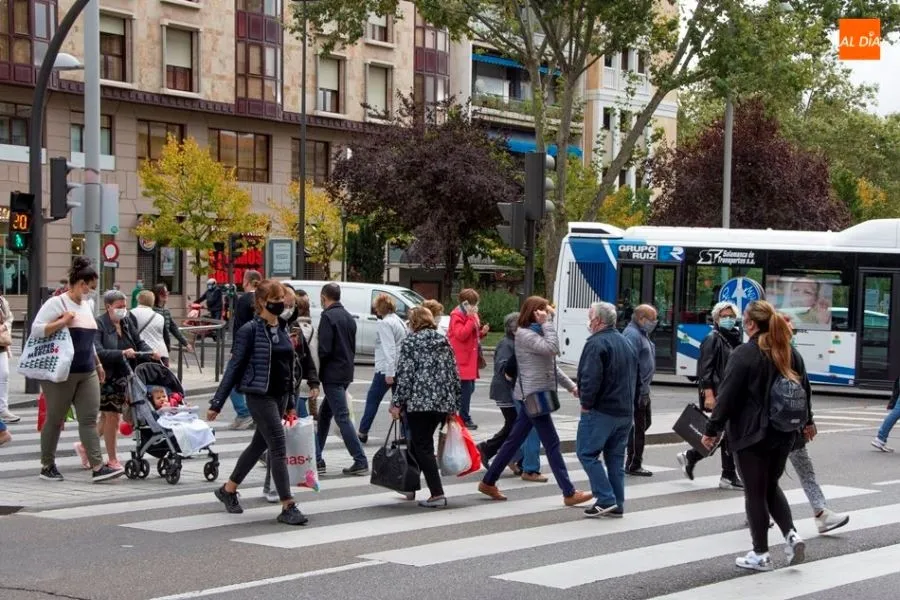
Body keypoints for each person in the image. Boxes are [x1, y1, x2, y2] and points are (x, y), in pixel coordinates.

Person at [701, 300, 811, 572]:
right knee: (770, 485)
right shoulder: (789, 352)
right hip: (784, 433)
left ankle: (760, 553)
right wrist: (808, 422)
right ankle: (792, 536)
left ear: (750, 324)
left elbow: (727, 396)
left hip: (751, 434)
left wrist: (712, 430)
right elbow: (805, 391)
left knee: (755, 492)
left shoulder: (745, 354)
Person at [207, 279, 308, 526]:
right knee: (278, 446)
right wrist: (217, 402)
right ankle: (288, 505)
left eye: (281, 300)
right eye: (275, 300)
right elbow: (234, 367)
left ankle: (228, 489)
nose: (280, 304)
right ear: (261, 302)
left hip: (280, 396)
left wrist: (291, 402)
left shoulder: (282, 327)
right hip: (259, 395)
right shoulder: (249, 331)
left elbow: (289, 369)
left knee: (257, 446)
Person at [478, 296, 591, 507]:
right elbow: (553, 348)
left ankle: (488, 481)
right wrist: (547, 323)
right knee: (552, 443)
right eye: (543, 310)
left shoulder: (535, 333)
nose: (547, 314)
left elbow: (551, 364)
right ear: (534, 313)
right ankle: (568, 492)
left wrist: (571, 386)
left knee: (514, 441)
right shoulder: (525, 334)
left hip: (534, 394)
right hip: (534, 395)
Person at [33, 257, 122, 482]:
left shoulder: (87, 305)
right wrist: (63, 321)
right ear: (81, 283)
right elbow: (37, 330)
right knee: (55, 419)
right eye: (90, 287)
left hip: (86, 370)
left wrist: (98, 363)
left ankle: (97, 466)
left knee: (89, 418)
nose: (91, 292)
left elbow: (89, 341)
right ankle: (47, 465)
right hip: (61, 372)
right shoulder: (57, 303)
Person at [390, 307, 461, 508]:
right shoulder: (443, 341)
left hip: (419, 402)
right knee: (418, 443)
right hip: (442, 403)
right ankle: (409, 485)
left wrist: (397, 403)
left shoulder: (411, 342)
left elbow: (405, 375)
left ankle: (437, 493)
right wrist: (454, 406)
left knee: (422, 446)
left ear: (414, 322)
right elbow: (454, 374)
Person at [576, 301, 639, 517]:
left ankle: (605, 498)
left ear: (597, 321)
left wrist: (586, 404)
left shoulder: (596, 343)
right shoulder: (625, 342)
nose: (589, 321)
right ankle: (617, 503)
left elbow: (590, 377)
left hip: (602, 410)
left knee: (587, 453)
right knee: (615, 459)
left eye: (590, 316)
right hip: (625, 410)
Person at [261, 284, 320, 503]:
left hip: (290, 388)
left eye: (292, 304)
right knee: (275, 441)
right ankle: (274, 488)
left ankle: (271, 485)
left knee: (275, 442)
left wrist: (313, 380)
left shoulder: (293, 328)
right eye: (286, 302)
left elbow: (304, 357)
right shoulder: (264, 327)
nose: (288, 307)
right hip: (270, 391)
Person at [676, 301, 743, 490]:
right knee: (726, 433)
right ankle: (726, 475)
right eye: (724, 316)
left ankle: (693, 458)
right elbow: (705, 369)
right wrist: (709, 395)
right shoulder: (712, 338)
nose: (728, 319)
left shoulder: (733, 338)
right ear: (716, 319)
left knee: (726, 434)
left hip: (730, 392)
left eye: (731, 316)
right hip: (718, 392)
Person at [92, 290, 159, 470]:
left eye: (125, 306)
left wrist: (150, 351)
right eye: (119, 306)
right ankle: (112, 459)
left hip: (126, 374)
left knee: (106, 417)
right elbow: (98, 352)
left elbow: (138, 341)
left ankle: (85, 446)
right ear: (108, 307)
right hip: (107, 376)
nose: (123, 309)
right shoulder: (99, 324)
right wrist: (121, 353)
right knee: (112, 416)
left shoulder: (127, 321)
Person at [479, 312, 544, 482]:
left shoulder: (515, 343)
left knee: (516, 426)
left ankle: (508, 456)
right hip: (505, 391)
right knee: (515, 426)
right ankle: (492, 451)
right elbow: (502, 367)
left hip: (514, 391)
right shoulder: (506, 344)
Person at [316, 283, 368, 476]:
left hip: (332, 373)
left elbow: (325, 349)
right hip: (346, 371)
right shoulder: (348, 317)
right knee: (324, 415)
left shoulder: (328, 317)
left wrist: (316, 369)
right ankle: (316, 457)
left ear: (324, 297)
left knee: (342, 417)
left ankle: (360, 460)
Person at [358, 293, 408, 443]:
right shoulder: (398, 320)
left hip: (386, 369)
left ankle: (363, 431)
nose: (375, 309)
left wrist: (389, 372)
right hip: (399, 366)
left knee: (373, 399)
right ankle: (405, 434)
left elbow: (389, 348)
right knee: (400, 402)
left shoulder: (385, 323)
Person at [623, 304, 657, 477]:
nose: (655, 322)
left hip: (643, 389)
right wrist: (637, 390)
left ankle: (630, 453)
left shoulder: (642, 333)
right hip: (636, 389)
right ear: (641, 318)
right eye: (652, 319)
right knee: (638, 427)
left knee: (643, 424)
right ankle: (633, 463)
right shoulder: (632, 334)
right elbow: (630, 364)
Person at [448, 289, 489, 430]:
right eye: (472, 303)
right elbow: (461, 334)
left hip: (469, 357)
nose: (474, 306)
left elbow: (472, 334)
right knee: (466, 390)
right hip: (461, 358)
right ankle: (463, 417)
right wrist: (471, 319)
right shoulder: (457, 315)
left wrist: (482, 333)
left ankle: (456, 414)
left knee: (469, 389)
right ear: (464, 303)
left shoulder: (472, 314)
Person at [227, 271, 262, 430]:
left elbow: (239, 326)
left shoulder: (244, 299)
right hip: (260, 347)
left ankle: (243, 412)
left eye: (243, 280)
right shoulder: (262, 298)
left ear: (247, 282)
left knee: (231, 378)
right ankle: (256, 415)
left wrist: (235, 349)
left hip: (245, 347)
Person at [152, 284, 193, 366]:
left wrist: (185, 343)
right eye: (164, 293)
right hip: (153, 348)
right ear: (157, 295)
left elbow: (173, 328)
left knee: (164, 370)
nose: (167, 294)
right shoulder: (151, 310)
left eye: (167, 292)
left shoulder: (166, 310)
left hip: (164, 347)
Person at [294, 290, 319, 419]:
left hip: (298, 376)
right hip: (310, 376)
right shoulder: (313, 329)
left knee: (300, 416)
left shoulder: (295, 329)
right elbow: (314, 355)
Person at [132, 290, 168, 365]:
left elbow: (130, 334)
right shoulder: (160, 317)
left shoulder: (133, 313)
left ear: (139, 300)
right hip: (160, 353)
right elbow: (165, 337)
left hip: (143, 354)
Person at [0, 292, 18, 423]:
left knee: (4, 374)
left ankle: (3, 409)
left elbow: (9, 317)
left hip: (1, 343)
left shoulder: (2, 301)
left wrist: (4, 326)